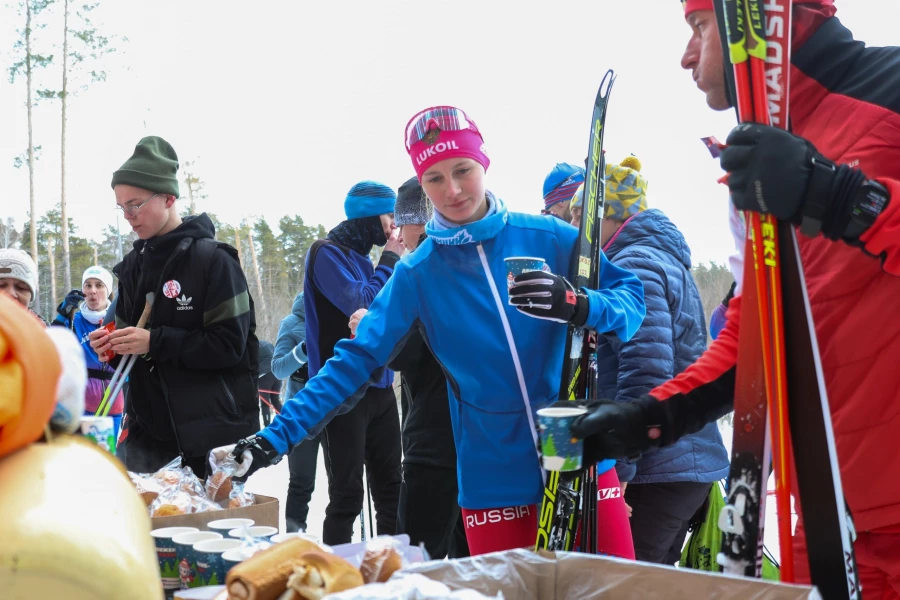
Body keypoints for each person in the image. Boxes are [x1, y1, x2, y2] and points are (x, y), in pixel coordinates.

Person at [212, 106, 646, 557]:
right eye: (435, 178)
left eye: (463, 170)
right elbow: (352, 361)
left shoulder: (548, 237)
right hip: (491, 472)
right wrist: (271, 438)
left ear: (484, 164)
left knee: (613, 590)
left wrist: (579, 305)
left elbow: (632, 303)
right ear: (422, 185)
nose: (453, 189)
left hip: (574, 447)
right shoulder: (418, 273)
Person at [572, 1, 900, 590]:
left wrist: (839, 196)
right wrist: (656, 415)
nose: (686, 56)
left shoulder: (890, 89)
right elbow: (759, 330)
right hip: (832, 513)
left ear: (759, 17)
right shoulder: (756, 163)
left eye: (698, 27)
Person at [89, 136, 260, 476]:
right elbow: (128, 344)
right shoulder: (134, 267)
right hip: (147, 441)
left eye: (135, 204)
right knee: (145, 528)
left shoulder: (214, 261)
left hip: (213, 442)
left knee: (213, 530)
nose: (128, 216)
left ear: (168, 197)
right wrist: (109, 346)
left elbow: (229, 346)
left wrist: (154, 341)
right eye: (121, 207)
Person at [591, 155, 729, 565]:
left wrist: (622, 473)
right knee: (652, 580)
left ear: (613, 216)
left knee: (628, 582)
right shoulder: (658, 257)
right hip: (678, 460)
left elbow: (645, 371)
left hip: (660, 465)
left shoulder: (635, 264)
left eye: (587, 217)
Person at [358, 176, 469, 559]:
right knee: (468, 562)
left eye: (399, 223)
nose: (397, 236)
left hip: (434, 442)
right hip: (474, 443)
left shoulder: (423, 271)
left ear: (416, 221)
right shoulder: (466, 263)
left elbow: (408, 354)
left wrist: (371, 329)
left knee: (418, 562)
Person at [52, 265, 125, 438]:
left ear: (107, 290)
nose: (93, 291)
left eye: (99, 285)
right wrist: (63, 314)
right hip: (83, 404)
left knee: (107, 456)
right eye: (88, 285)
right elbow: (51, 344)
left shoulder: (119, 318)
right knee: (86, 457)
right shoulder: (74, 319)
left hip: (114, 401)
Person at [271, 290, 321, 534]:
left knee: (343, 486)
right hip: (301, 415)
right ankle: (294, 541)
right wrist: (303, 350)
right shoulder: (291, 323)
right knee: (302, 482)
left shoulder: (338, 314)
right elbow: (278, 369)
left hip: (338, 412)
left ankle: (340, 549)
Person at [0, 249, 45, 325]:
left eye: (21, 287)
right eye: (1, 285)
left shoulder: (45, 334)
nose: (10, 293)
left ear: (31, 296)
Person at [257, 341, 282, 427]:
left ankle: (267, 427)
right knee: (275, 400)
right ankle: (285, 422)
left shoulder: (254, 347)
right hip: (277, 374)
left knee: (265, 403)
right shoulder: (267, 344)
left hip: (265, 376)